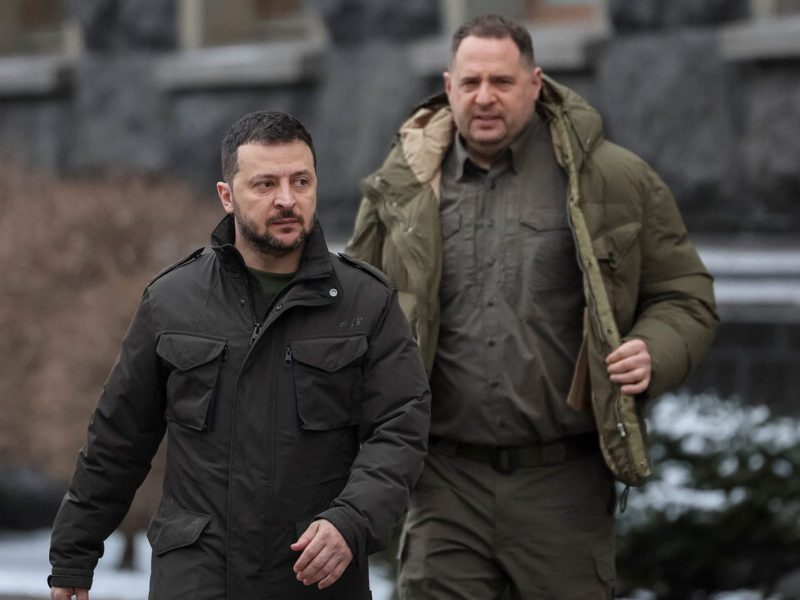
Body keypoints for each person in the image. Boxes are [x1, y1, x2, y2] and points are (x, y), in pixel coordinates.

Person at [346, 14, 718, 599]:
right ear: (448, 86)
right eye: (471, 82)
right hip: (445, 484)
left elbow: (684, 293)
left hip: (563, 486)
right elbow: (352, 312)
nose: (484, 97)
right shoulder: (401, 188)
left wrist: (655, 350)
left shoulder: (609, 179)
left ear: (536, 84)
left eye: (502, 81)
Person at [48, 111, 431, 600]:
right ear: (227, 196)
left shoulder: (365, 302)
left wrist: (352, 518)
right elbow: (117, 439)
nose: (287, 199)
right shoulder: (172, 301)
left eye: (301, 181)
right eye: (265, 184)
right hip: (197, 577)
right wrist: (73, 556)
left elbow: (400, 428)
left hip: (312, 576)